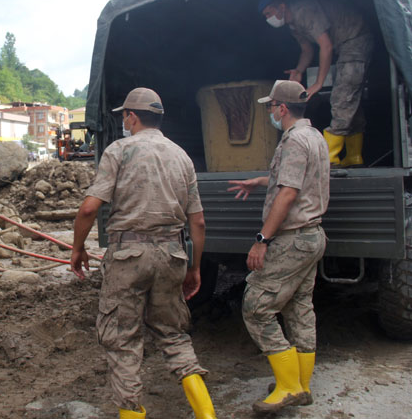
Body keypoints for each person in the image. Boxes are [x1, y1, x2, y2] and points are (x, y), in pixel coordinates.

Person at [71, 88, 216, 419]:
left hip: (129, 257)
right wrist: (194, 269)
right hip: (172, 255)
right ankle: (208, 415)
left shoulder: (119, 151)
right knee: (175, 336)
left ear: (131, 117)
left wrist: (78, 248)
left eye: (124, 115)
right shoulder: (181, 156)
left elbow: (89, 209)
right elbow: (199, 222)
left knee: (122, 341)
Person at [227, 80, 329, 413]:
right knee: (299, 309)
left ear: (281, 109)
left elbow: (289, 193)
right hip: (312, 235)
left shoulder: (295, 140)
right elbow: (297, 179)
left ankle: (287, 387)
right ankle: (302, 384)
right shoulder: (314, 136)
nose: (269, 112)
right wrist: (260, 181)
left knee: (256, 308)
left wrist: (262, 240)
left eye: (270, 107)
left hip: (292, 239)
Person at [259, 0, 373, 168]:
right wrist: (298, 70)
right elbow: (307, 50)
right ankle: (354, 156)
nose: (268, 18)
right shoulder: (293, 26)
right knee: (351, 102)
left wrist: (318, 83)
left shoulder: (304, 12)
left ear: (281, 7)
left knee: (342, 98)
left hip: (355, 39)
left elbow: (325, 46)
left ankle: (329, 158)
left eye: (269, 13)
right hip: (345, 44)